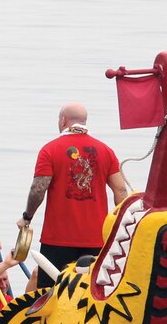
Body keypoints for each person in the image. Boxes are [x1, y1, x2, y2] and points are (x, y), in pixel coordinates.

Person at [18, 103, 128, 288]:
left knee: (50, 293)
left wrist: (27, 217)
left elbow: (38, 189)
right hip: (97, 239)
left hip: (57, 239)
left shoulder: (50, 150)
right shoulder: (106, 151)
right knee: (91, 293)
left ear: (62, 120)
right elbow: (121, 190)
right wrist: (117, 229)